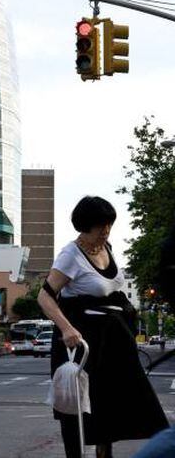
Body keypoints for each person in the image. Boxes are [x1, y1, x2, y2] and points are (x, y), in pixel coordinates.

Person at [37, 196, 168, 458]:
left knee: (111, 403)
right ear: (84, 227)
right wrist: (66, 329)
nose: (106, 231)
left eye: (109, 225)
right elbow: (44, 296)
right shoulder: (70, 255)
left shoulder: (106, 247)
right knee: (77, 406)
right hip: (81, 341)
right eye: (100, 227)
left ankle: (104, 453)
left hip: (111, 340)